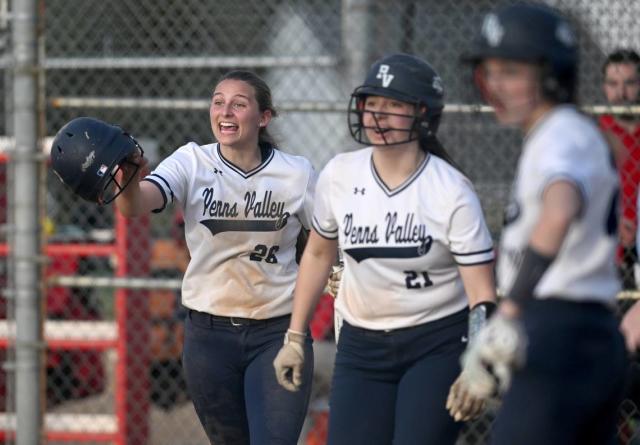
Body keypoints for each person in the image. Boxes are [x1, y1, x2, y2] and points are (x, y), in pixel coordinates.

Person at [273, 53, 497, 444]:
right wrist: (295, 337)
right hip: (361, 345)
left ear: (423, 114)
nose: (377, 116)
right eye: (371, 104)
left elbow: (481, 293)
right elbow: (318, 254)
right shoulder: (340, 174)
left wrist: (479, 362)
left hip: (436, 344)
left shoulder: (450, 189)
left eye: (393, 105)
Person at [456, 3, 628, 445]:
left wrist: (509, 314)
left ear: (551, 73)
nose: (496, 85)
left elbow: (560, 206)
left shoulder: (559, 132)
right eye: (491, 73)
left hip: (557, 326)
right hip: (581, 333)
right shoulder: (560, 132)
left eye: (512, 72)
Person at [115, 70, 317, 444]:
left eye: (239, 104)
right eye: (218, 101)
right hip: (209, 337)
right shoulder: (191, 161)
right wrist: (126, 184)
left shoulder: (296, 173)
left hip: (276, 332)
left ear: (264, 117)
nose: (225, 111)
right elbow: (139, 203)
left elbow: (325, 240)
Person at [600, 49, 640, 289]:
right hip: (607, 251)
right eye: (613, 84)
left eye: (630, 83)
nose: (621, 93)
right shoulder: (595, 134)